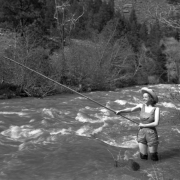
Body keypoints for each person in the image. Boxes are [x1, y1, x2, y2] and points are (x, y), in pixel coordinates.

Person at [116, 87, 160, 161]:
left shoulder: (156, 109)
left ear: (151, 98)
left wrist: (144, 125)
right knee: (143, 156)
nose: (144, 99)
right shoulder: (141, 106)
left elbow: (156, 123)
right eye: (143, 97)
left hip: (151, 134)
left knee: (153, 157)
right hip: (141, 133)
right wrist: (121, 111)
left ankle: (155, 171)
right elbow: (130, 109)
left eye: (146, 97)